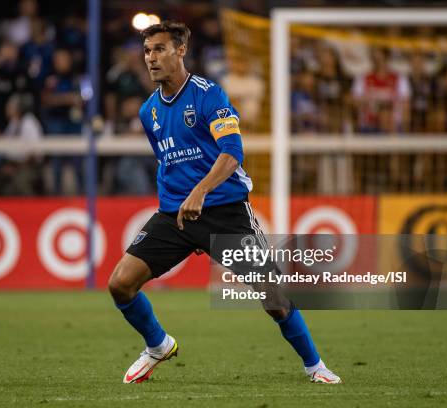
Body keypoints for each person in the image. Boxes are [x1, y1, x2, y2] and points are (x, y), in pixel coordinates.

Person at [107, 21, 341, 385]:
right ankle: (158, 345)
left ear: (180, 50)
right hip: (175, 216)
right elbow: (166, 161)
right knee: (120, 283)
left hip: (226, 212)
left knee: (273, 296)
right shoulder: (148, 110)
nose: (151, 58)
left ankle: (315, 366)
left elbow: (233, 152)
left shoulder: (208, 95)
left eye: (159, 49)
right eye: (147, 50)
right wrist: (181, 198)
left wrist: (200, 191)